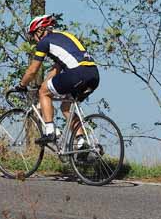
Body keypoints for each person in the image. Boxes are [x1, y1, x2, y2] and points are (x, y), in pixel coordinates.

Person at [17, 14, 100, 144]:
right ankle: (81, 142)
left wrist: (22, 85)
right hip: (93, 74)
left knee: (43, 92)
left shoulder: (44, 42)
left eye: (33, 35)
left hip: (76, 73)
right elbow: (57, 67)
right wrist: (46, 84)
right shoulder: (66, 36)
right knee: (66, 106)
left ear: (40, 30)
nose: (34, 39)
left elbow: (33, 70)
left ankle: (50, 131)